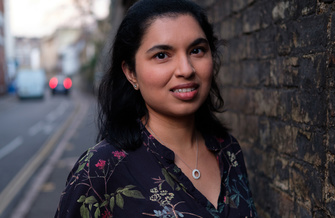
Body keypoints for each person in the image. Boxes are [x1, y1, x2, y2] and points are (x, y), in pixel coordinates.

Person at [55, 0, 257, 217]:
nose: (186, 69)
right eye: (162, 55)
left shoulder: (228, 149)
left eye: (197, 50)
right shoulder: (99, 170)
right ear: (131, 72)